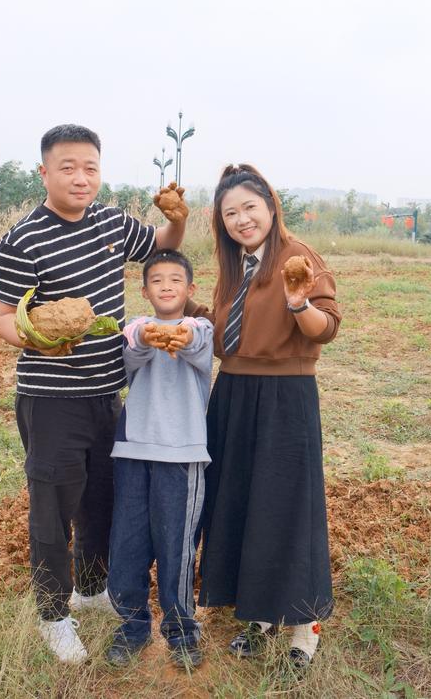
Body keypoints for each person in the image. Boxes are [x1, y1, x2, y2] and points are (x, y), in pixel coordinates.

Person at [0, 124, 189, 663]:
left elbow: (162, 245)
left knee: (101, 500)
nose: (81, 178)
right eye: (68, 168)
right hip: (51, 399)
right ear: (44, 173)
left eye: (90, 168)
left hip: (108, 393)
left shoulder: (112, 223)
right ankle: (52, 615)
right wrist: (38, 338)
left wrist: (178, 218)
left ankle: (90, 587)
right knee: (52, 509)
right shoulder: (21, 239)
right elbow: (5, 318)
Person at [187, 164, 341, 671]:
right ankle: (260, 614)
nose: (241, 220)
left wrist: (298, 305)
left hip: (284, 397)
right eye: (230, 213)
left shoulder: (298, 257)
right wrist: (181, 304)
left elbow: (325, 327)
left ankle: (304, 627)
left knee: (287, 507)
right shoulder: (236, 264)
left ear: (271, 207)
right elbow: (228, 332)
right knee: (242, 503)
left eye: (249, 207)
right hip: (233, 394)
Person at [106, 249, 213, 669]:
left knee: (177, 549)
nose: (166, 286)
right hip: (133, 452)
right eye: (156, 280)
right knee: (127, 544)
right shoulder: (136, 329)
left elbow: (196, 339)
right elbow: (133, 347)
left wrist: (180, 335)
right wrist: (147, 336)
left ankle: (182, 632)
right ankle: (132, 627)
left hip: (183, 456)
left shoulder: (200, 328)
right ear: (144, 290)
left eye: (175, 280)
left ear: (190, 288)